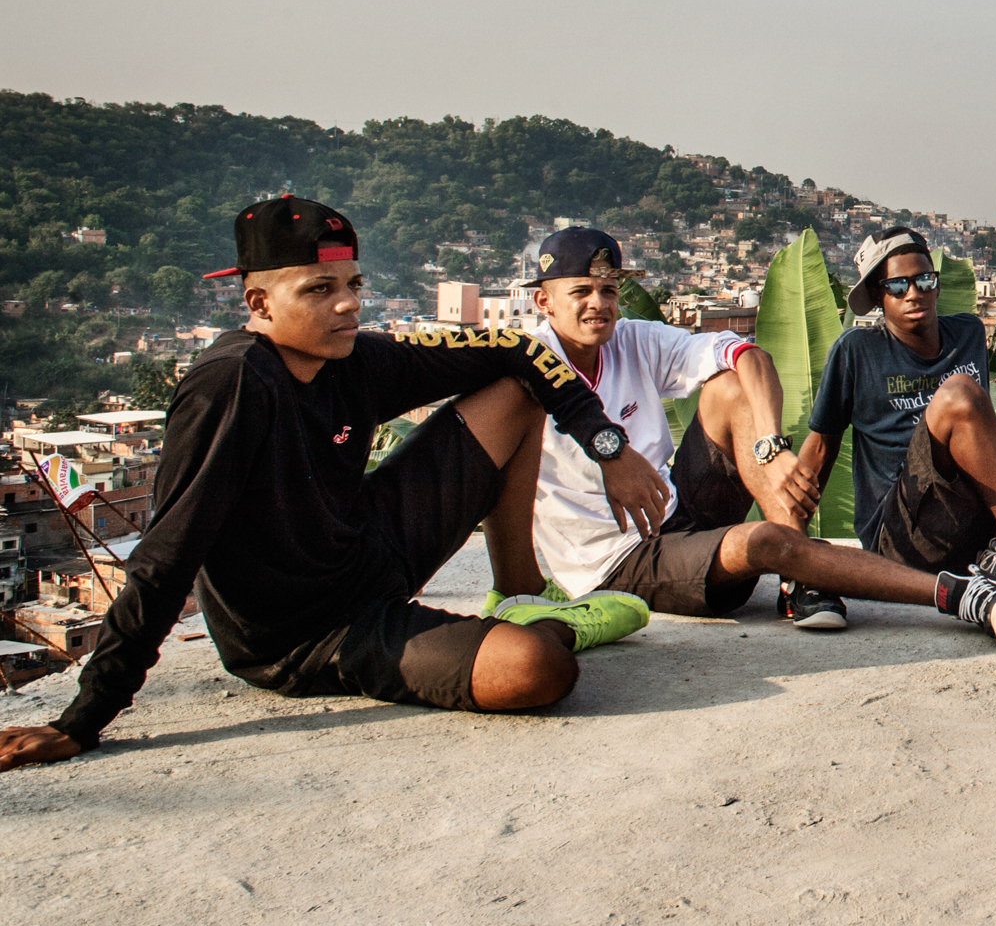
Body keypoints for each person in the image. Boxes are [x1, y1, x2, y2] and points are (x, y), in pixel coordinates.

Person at [0, 196, 648, 774]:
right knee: (539, 669)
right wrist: (79, 720)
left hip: (372, 546)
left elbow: (513, 347)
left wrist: (607, 444)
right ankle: (543, 632)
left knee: (512, 389)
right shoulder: (230, 386)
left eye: (353, 283)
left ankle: (521, 595)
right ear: (259, 303)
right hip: (313, 634)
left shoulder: (356, 358)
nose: (347, 303)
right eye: (318, 288)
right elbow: (164, 560)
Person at [499, 228, 996, 646]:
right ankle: (962, 597)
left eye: (609, 289)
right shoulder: (519, 371)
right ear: (544, 302)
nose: (600, 303)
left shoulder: (632, 340)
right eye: (581, 292)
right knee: (766, 543)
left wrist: (771, 446)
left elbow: (747, 356)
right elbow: (481, 472)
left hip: (674, 512)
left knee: (729, 390)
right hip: (617, 560)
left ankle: (803, 581)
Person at [795, 228, 996, 618]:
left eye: (925, 280)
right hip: (907, 535)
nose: (915, 293)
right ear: (878, 295)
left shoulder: (967, 333)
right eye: (898, 285)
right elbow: (820, 450)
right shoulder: (857, 352)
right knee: (959, 394)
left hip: (978, 521)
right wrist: (793, 553)